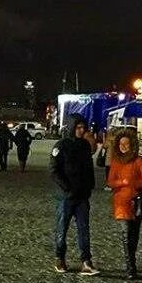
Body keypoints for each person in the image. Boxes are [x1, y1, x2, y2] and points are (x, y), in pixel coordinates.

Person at [49, 116, 99, 275]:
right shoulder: (61, 146)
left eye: (83, 127)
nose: (81, 130)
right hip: (66, 196)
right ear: (71, 127)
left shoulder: (85, 146)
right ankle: (60, 258)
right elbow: (54, 170)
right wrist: (67, 188)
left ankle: (86, 261)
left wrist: (90, 185)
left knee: (84, 229)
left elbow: (89, 167)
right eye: (78, 127)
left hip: (83, 195)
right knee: (61, 229)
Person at [107, 130, 142, 280]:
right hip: (121, 203)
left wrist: (133, 183)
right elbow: (110, 182)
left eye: (126, 144)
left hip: (136, 203)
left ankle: (132, 263)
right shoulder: (115, 162)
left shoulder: (139, 161)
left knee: (134, 236)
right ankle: (130, 267)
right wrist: (122, 182)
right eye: (121, 144)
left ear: (132, 145)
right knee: (126, 235)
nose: (123, 146)